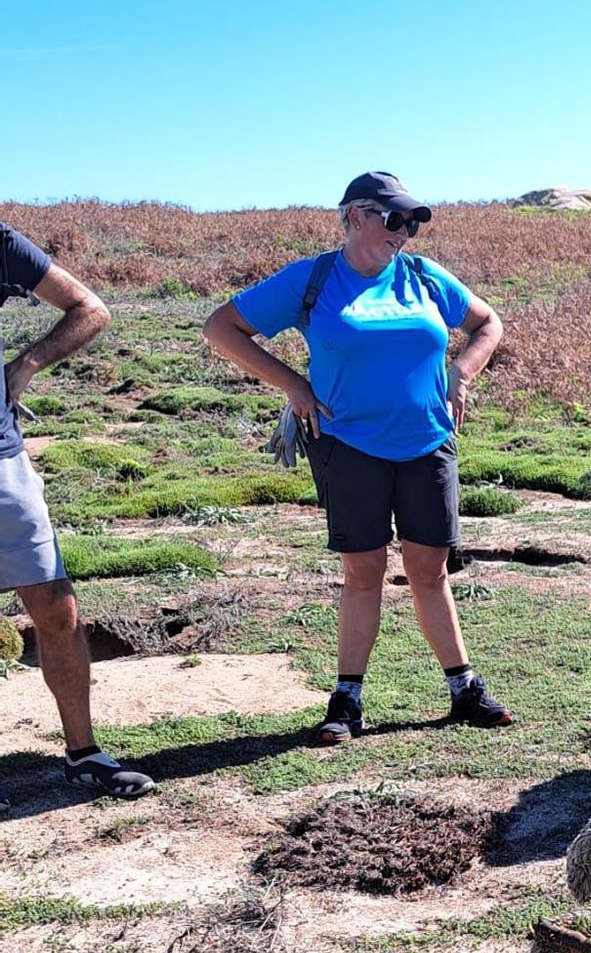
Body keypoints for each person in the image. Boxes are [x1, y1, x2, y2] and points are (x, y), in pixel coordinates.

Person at [203, 172, 511, 745]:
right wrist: (292, 385)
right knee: (364, 571)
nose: (405, 232)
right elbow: (222, 327)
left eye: (413, 222)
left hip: (428, 441)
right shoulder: (313, 279)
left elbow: (487, 323)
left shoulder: (423, 276)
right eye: (394, 219)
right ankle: (347, 700)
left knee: (429, 569)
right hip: (348, 446)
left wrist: (460, 374)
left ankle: (463, 688)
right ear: (354, 217)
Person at [1, 222, 155, 799]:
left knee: (55, 605)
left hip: (2, 460)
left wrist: (29, 363)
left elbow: (90, 308)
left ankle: (84, 754)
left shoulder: (2, 243)